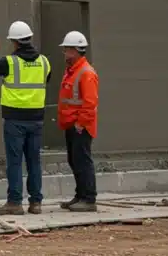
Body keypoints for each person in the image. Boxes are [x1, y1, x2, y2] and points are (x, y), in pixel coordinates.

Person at [0, 20, 51, 215]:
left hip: (14, 120)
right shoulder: (44, 61)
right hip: (37, 119)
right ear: (29, 38)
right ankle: (36, 202)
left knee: (15, 162)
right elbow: (45, 79)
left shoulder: (9, 62)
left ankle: (14, 202)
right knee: (34, 161)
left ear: (14, 42)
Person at [58, 30, 99, 212]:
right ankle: (80, 195)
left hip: (81, 126)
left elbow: (90, 103)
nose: (65, 54)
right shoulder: (72, 72)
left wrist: (80, 123)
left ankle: (89, 199)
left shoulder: (85, 73)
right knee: (75, 160)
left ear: (75, 50)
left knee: (82, 161)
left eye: (66, 50)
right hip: (72, 124)